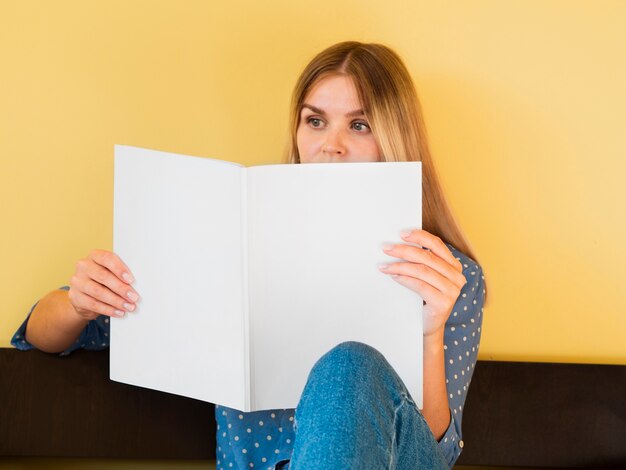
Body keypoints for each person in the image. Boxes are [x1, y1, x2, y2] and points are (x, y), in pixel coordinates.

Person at [12, 41, 488, 469]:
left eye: (359, 124)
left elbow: (438, 453)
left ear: (394, 137)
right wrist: (78, 303)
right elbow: (39, 333)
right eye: (315, 120)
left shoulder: (447, 274)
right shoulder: (234, 251)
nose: (331, 146)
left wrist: (429, 333)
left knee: (348, 366)